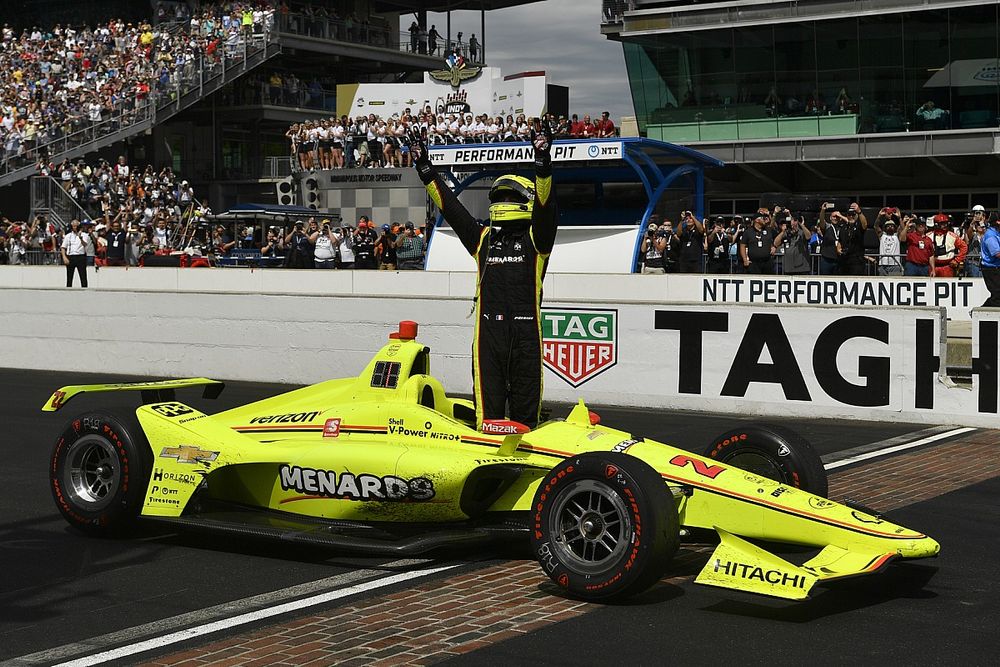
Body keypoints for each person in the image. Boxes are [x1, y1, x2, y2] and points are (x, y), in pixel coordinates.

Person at [411, 120, 556, 428]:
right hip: (488, 337)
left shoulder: (537, 240)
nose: (503, 203)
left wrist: (543, 166)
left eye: (509, 198)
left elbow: (545, 207)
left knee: (525, 420)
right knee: (486, 420)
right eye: (499, 197)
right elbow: (451, 209)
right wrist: (426, 170)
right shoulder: (483, 239)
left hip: (527, 338)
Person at [928, 213, 967, 278]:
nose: (945, 225)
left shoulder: (953, 236)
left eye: (946, 223)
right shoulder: (928, 236)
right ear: (936, 224)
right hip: (933, 267)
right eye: (942, 223)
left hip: (947, 267)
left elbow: (964, 247)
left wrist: (957, 260)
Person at [61, 218, 89, 287]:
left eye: (76, 226)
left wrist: (80, 238)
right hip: (71, 256)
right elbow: (63, 247)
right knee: (69, 277)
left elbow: (85, 244)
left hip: (80, 256)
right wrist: (64, 257)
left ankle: (84, 290)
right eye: (73, 226)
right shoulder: (68, 236)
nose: (75, 227)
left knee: (83, 276)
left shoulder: (84, 235)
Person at [980, 212, 1000, 307]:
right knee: (997, 294)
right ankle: (979, 313)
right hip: (991, 269)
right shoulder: (991, 235)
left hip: (996, 267)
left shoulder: (996, 233)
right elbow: (997, 253)